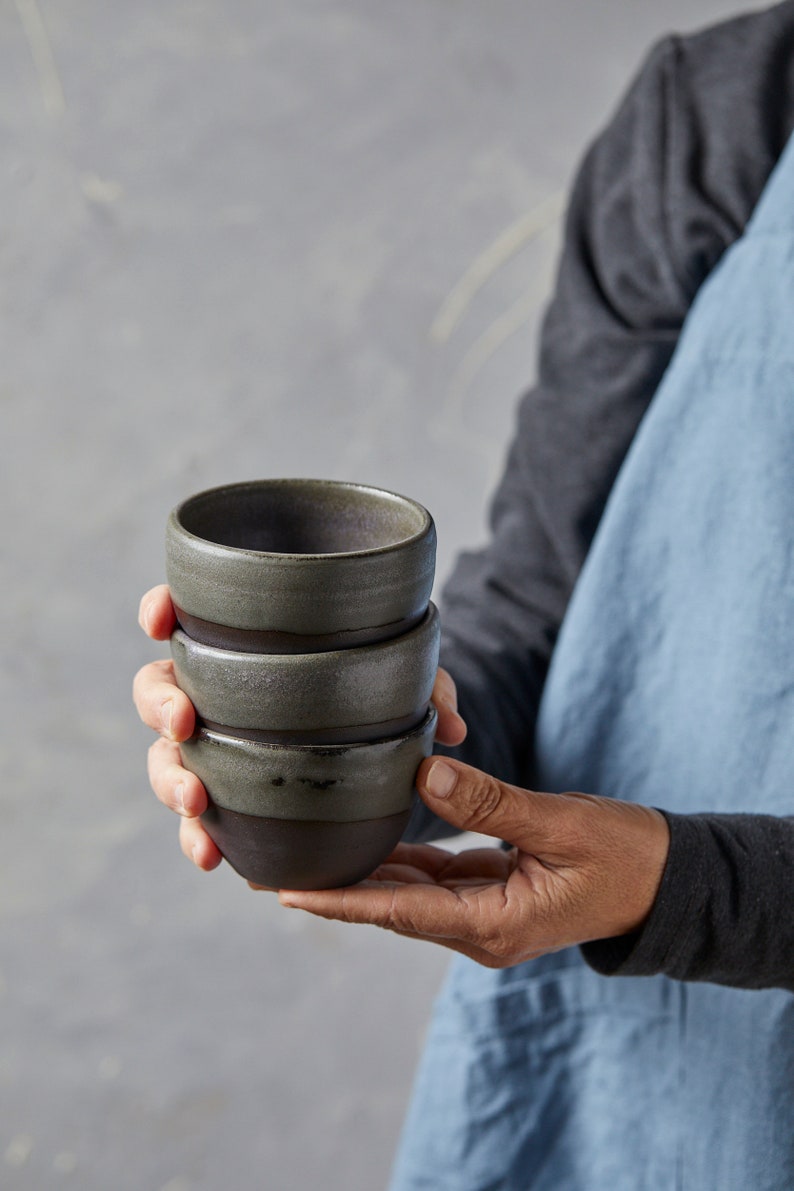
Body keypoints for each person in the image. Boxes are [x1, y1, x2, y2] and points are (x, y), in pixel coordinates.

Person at [134, 4, 794, 1187]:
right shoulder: (723, 111)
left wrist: (684, 886)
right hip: (626, 1105)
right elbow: (544, 604)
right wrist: (364, 735)